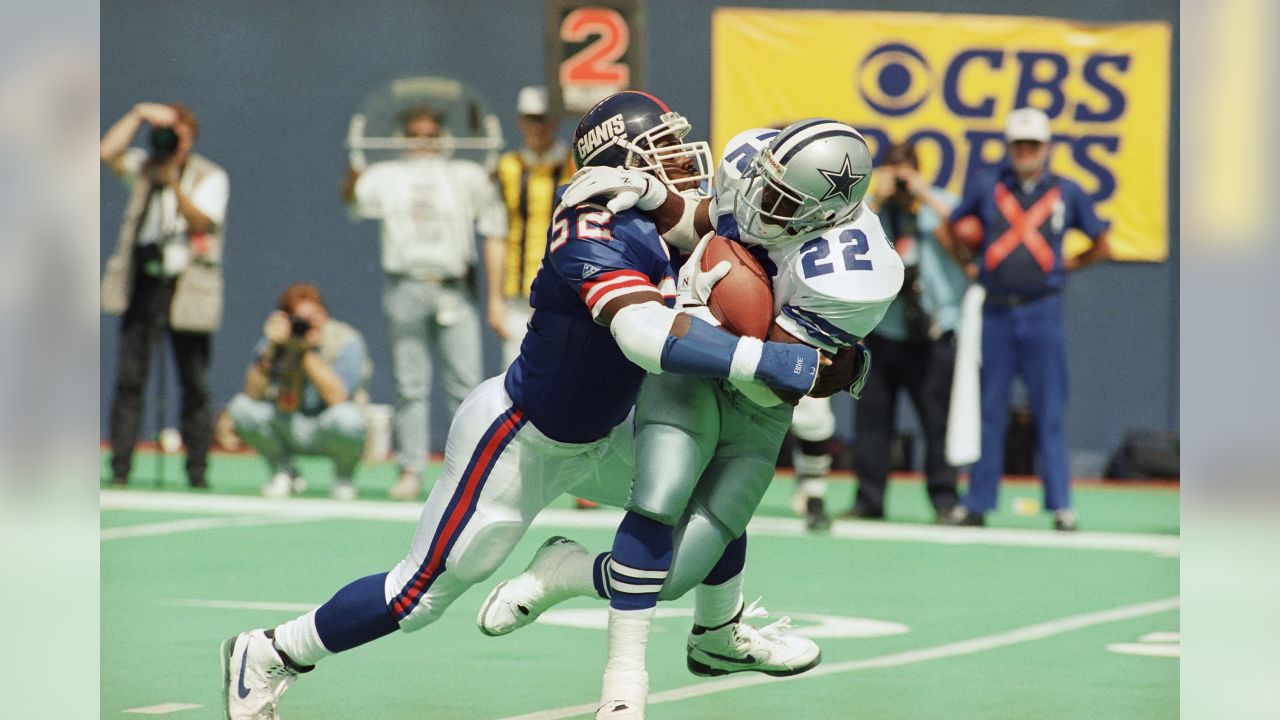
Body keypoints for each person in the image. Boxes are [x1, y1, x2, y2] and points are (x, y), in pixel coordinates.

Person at [222, 91, 831, 720]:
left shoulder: (655, 210)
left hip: (602, 432)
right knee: (418, 597)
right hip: (522, 436)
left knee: (715, 485)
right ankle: (271, 651)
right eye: (665, 152)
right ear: (621, 160)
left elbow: (728, 223)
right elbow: (642, 334)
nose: (682, 163)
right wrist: (761, 361)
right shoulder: (590, 221)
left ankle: (717, 633)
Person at [485, 117, 904, 719]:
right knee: (657, 500)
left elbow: (778, 381)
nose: (759, 201)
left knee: (678, 574)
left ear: (824, 214)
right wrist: (658, 196)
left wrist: (795, 349)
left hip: (756, 399)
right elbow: (703, 220)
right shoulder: (755, 164)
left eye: (783, 201)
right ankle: (624, 688)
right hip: (690, 363)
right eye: (764, 183)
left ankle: (572, 573)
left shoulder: (855, 273)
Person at [944, 107, 1110, 531]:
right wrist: (967, 263)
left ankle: (1061, 505)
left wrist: (1067, 266)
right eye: (1019, 144)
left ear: (1046, 148)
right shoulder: (988, 185)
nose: (1025, 151)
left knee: (1050, 409)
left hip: (1043, 309)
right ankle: (979, 502)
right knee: (990, 408)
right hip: (997, 310)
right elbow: (951, 228)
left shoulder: (1066, 192)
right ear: (1009, 146)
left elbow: (1101, 243)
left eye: (1032, 144)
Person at [343, 105, 507, 501]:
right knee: (409, 385)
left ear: (444, 137)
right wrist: (352, 170)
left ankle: (471, 472)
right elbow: (354, 202)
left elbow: (492, 203)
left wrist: (493, 170)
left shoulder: (464, 175)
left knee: (466, 385)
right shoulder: (386, 176)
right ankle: (411, 470)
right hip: (406, 287)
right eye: (415, 133)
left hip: (453, 287)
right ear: (401, 137)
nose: (423, 141)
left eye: (430, 133)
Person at [100, 101, 228, 488]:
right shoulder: (144, 167)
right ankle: (120, 466)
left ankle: (197, 470)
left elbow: (202, 222)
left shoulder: (210, 176)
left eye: (181, 136)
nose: (174, 143)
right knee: (130, 377)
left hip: (187, 283)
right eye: (169, 134)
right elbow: (106, 153)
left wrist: (172, 182)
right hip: (144, 279)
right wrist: (138, 114)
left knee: (193, 381)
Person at [848, 141, 967, 522]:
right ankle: (869, 500)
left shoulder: (937, 203)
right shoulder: (870, 211)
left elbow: (966, 241)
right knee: (872, 422)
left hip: (931, 331)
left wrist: (923, 194)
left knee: (937, 422)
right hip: (884, 330)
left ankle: (945, 499)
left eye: (906, 172)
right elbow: (847, 238)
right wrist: (876, 200)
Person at [226, 283, 371, 500]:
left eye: (315, 315)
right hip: (288, 423)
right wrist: (271, 351)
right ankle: (284, 472)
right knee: (240, 408)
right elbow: (252, 393)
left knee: (347, 418)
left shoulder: (345, 339)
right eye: (300, 319)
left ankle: (343, 478)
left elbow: (337, 397)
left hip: (327, 427)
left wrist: (305, 353)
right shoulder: (277, 341)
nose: (309, 324)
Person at [488, 86, 574, 364]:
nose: (538, 127)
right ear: (520, 121)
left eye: (544, 118)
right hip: (518, 299)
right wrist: (495, 300)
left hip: (565, 298)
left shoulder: (573, 168)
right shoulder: (507, 168)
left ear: (556, 121)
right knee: (514, 378)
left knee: (562, 374)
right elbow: (496, 235)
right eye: (531, 118)